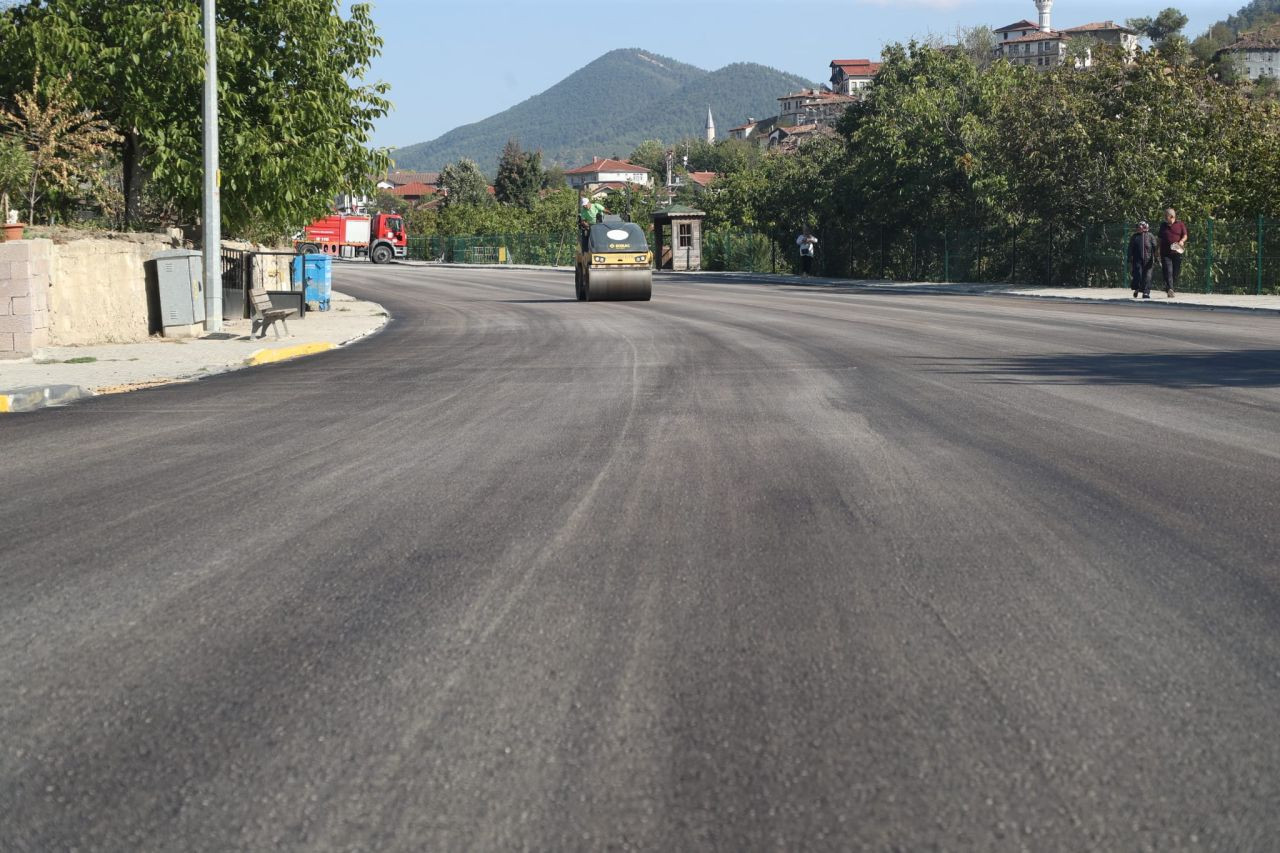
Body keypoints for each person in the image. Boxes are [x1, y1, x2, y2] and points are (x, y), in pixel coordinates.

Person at [1157, 207, 1188, 298]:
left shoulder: (1180, 224)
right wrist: (1157, 250)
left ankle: (1169, 287)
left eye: (1166, 216)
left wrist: (1182, 241)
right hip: (1165, 253)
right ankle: (1170, 289)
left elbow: (1185, 235)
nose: (1164, 218)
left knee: (1175, 272)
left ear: (1171, 216)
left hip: (1177, 252)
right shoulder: (1163, 225)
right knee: (1168, 271)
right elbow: (1159, 238)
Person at [1127, 220, 1158, 299]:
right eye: (1138, 227)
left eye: (1141, 226)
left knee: (1148, 276)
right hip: (1137, 260)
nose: (1139, 228)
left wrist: (1157, 257)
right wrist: (1129, 257)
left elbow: (1155, 247)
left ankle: (1146, 293)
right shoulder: (1134, 237)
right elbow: (1130, 248)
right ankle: (1137, 288)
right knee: (1138, 275)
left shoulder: (1150, 236)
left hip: (1149, 260)